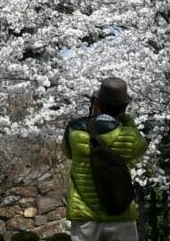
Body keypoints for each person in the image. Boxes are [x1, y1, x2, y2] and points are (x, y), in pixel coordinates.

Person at [64, 78, 148, 241]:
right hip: (120, 212)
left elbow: (67, 153)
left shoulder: (73, 130)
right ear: (125, 106)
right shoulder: (131, 136)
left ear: (97, 102)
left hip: (84, 213)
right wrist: (128, 121)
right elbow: (141, 148)